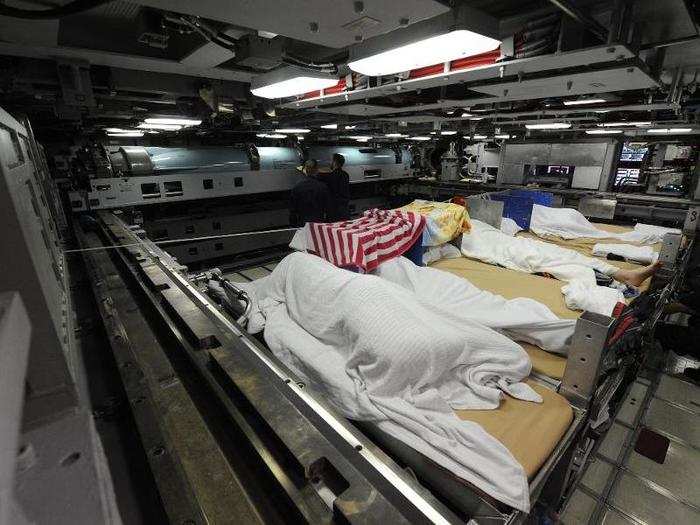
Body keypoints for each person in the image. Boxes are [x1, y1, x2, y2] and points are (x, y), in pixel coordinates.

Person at [289, 159, 332, 226]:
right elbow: (328, 208)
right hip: (319, 224)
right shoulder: (323, 187)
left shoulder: (297, 187)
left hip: (303, 224)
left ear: (305, 170)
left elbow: (293, 210)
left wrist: (294, 225)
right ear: (316, 170)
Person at [324, 153, 351, 221]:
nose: (330, 162)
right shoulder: (345, 175)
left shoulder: (331, 176)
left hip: (334, 211)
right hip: (344, 209)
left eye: (331, 161)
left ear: (335, 162)